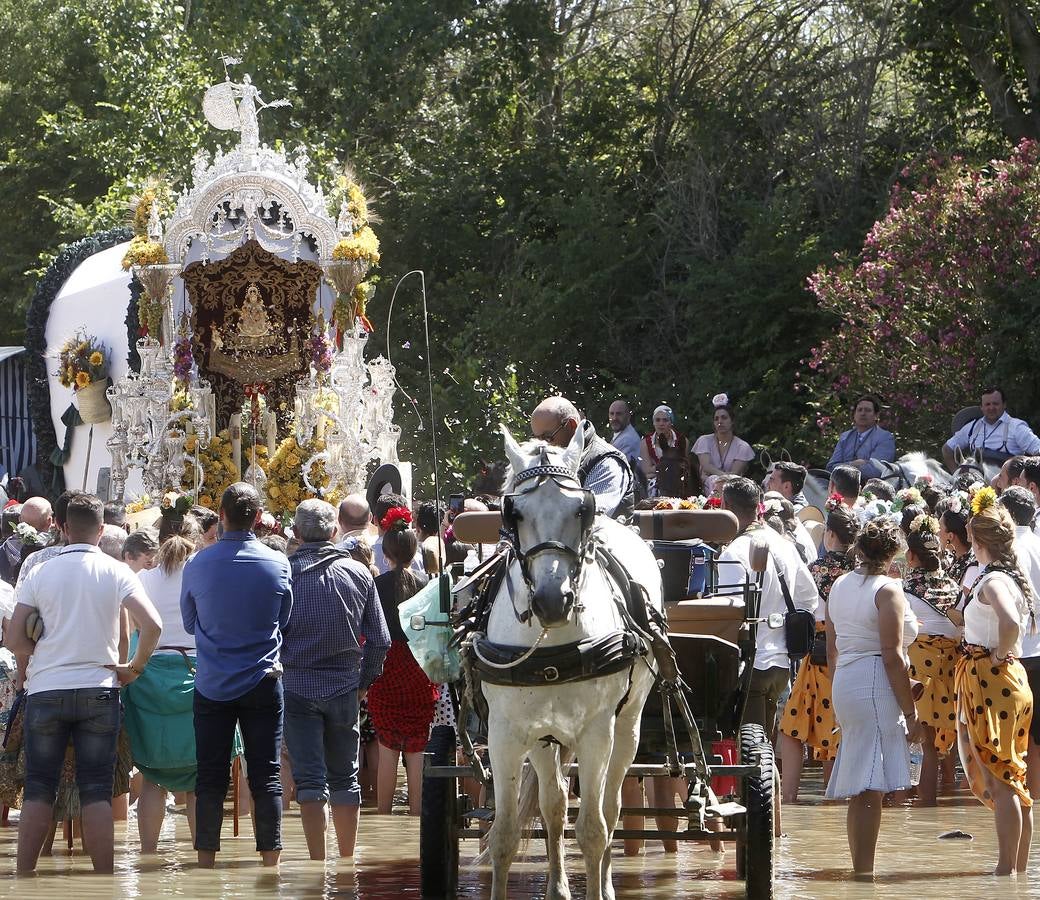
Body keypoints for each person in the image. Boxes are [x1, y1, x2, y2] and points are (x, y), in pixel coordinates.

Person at [4, 494, 162, 874]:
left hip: (47, 689)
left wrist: (39, 652)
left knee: (40, 786)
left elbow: (13, 639)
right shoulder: (115, 570)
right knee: (96, 789)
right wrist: (132, 668)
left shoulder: (40, 573)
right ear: (103, 529)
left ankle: (24, 876)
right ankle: (104, 880)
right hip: (100, 688)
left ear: (60, 526)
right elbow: (152, 626)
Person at [180, 483, 293, 868]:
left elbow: (190, 622)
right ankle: (270, 867)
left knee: (210, 776)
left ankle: (206, 865)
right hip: (263, 680)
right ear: (258, 519)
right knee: (267, 774)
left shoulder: (197, 564)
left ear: (222, 517)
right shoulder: (278, 563)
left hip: (212, 683)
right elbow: (284, 622)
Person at [281, 499, 390, 859]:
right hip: (345, 687)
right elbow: (381, 640)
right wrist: (363, 683)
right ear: (333, 532)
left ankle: (317, 863)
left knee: (310, 779)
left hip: (296, 687)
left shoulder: (285, 573)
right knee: (345, 777)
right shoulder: (358, 573)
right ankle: (345, 862)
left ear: (295, 533)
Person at [824, 516, 921, 875]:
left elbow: (832, 650)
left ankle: (860, 870)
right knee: (870, 786)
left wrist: (836, 697)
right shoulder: (888, 590)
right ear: (894, 553)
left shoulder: (838, 586)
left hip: (846, 681)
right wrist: (911, 716)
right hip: (874, 683)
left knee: (863, 785)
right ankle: (863, 875)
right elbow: (892, 656)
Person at [954, 490, 1035, 875]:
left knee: (1003, 779)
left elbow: (1011, 623)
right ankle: (1016, 872)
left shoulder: (992, 580)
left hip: (993, 680)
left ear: (978, 541)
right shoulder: (1004, 576)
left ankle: (1005, 873)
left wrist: (999, 654)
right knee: (1014, 779)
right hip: (1003, 681)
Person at [125, 514, 203, 852]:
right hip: (196, 676)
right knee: (201, 780)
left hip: (149, 677)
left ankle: (147, 857)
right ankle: (205, 859)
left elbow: (131, 631)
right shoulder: (202, 574)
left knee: (152, 777)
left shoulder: (141, 578)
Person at [718, 477, 819, 733]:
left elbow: (729, 613)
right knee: (763, 750)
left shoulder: (734, 552)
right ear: (758, 506)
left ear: (725, 505)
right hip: (781, 664)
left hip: (750, 665)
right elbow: (809, 598)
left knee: (751, 754)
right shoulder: (785, 545)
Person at [778, 499, 859, 801]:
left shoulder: (815, 569)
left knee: (792, 728)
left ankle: (789, 800)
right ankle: (833, 800)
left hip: (820, 653)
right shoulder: (860, 573)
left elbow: (802, 609)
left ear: (829, 536)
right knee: (830, 732)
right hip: (850, 649)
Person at [366, 511, 437, 815]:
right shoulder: (429, 586)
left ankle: (383, 815)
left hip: (384, 668)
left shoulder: (375, 585)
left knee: (387, 748)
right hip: (418, 666)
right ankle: (418, 813)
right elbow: (432, 632)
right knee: (418, 746)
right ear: (414, 550)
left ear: (385, 553)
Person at [902, 513, 960, 805]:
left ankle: (925, 804)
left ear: (911, 556)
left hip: (919, 668)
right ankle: (949, 793)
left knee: (922, 739)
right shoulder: (955, 588)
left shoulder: (905, 591)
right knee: (945, 735)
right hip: (951, 667)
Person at [998, 487, 1040, 803]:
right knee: (1035, 741)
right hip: (1035, 651)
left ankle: (1019, 808)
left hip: (1019, 654)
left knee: (1013, 743)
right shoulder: (1038, 543)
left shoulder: (1011, 550)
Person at [530, 395, 634, 517]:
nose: (542, 446)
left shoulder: (607, 462)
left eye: (547, 437)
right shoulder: (543, 460)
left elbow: (591, 516)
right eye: (536, 439)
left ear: (572, 426)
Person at [943, 387, 1040, 472]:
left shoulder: (1017, 427)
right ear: (981, 407)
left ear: (1004, 405)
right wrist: (956, 473)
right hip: (974, 486)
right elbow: (947, 449)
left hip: (1007, 487)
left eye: (995, 404)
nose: (991, 408)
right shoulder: (972, 427)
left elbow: (1038, 451)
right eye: (987, 404)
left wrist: (1028, 477)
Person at [693, 393, 755, 497]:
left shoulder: (743, 447)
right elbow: (706, 466)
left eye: (724, 418)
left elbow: (734, 474)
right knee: (711, 480)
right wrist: (723, 475)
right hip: (704, 490)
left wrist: (719, 476)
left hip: (733, 491)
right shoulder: (704, 441)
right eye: (716, 419)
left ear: (732, 421)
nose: (720, 422)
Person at [825, 394, 897, 481]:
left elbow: (877, 471)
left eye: (868, 410)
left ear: (876, 416)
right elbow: (830, 468)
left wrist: (843, 466)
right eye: (859, 410)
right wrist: (852, 464)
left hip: (870, 489)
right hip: (841, 488)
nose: (863, 413)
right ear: (854, 415)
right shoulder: (845, 437)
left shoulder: (885, 438)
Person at [639, 405, 692, 499]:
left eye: (665, 420)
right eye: (657, 420)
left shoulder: (682, 441)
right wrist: (668, 468)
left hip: (676, 478)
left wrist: (662, 469)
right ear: (653, 423)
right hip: (653, 479)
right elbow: (646, 470)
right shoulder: (645, 443)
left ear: (671, 422)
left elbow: (684, 466)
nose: (661, 424)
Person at [608, 399, 642, 469]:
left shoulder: (628, 439)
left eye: (619, 414)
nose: (614, 418)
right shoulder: (621, 435)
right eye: (612, 414)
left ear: (628, 416)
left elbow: (612, 468)